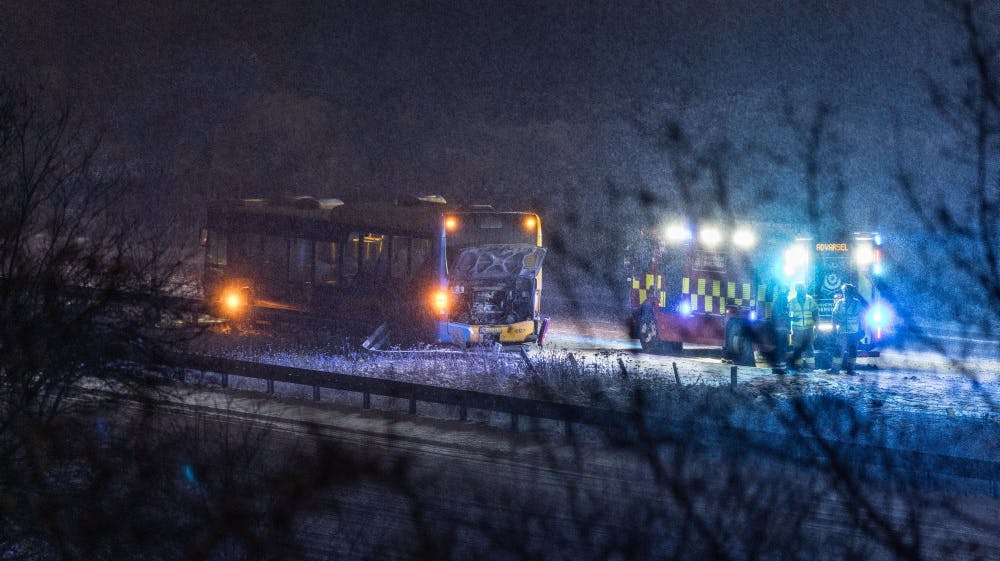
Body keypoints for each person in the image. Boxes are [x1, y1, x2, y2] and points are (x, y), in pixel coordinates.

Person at [832, 283, 868, 374]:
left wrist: (862, 330)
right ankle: (835, 369)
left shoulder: (857, 303)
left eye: (847, 291)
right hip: (842, 331)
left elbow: (862, 317)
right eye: (844, 291)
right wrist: (834, 327)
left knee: (852, 351)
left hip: (854, 332)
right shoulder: (839, 303)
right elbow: (834, 315)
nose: (845, 293)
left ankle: (850, 370)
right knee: (839, 350)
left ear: (851, 292)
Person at [787, 282, 818, 371]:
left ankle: (811, 367)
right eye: (800, 289)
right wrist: (792, 319)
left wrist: (816, 327)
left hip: (808, 328)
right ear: (797, 290)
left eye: (803, 289)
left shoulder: (810, 300)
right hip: (797, 329)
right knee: (797, 348)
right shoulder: (792, 301)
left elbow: (815, 314)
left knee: (809, 347)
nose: (802, 291)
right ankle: (798, 367)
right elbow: (787, 315)